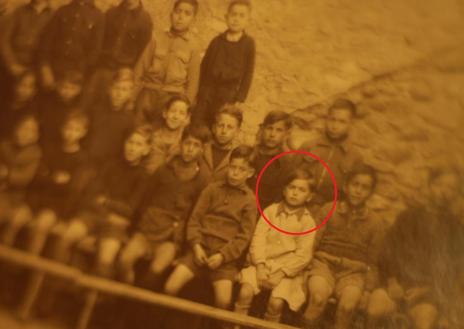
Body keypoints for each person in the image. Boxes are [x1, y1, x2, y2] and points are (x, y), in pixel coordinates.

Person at [366, 167, 463, 329]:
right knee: (375, 308)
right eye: (440, 185)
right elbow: (388, 252)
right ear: (430, 185)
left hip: (427, 293)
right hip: (396, 286)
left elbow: (452, 269)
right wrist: (392, 283)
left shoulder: (455, 228)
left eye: (451, 188)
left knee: (424, 321)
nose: (444, 192)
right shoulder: (408, 217)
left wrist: (424, 290)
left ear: (455, 194)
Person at [164, 145, 257, 313]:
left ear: (249, 173)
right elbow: (194, 220)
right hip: (199, 251)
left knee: (223, 301)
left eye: (241, 170)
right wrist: (196, 245)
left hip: (224, 260)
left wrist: (223, 256)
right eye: (232, 167)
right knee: (170, 287)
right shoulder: (212, 189)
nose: (235, 173)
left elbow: (244, 236)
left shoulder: (249, 200)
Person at [50, 125, 151, 278]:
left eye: (138, 145)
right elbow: (92, 194)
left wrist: (106, 202)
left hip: (115, 225)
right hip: (95, 215)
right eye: (130, 142)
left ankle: (93, 299)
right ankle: (53, 285)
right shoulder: (110, 165)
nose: (132, 148)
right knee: (65, 238)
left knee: (105, 260)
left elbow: (130, 209)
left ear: (146, 150)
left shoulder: (144, 177)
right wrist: (108, 210)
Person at [119, 124, 210, 286]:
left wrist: (184, 247)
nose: (190, 149)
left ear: (202, 150)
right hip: (147, 230)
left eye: (196, 146)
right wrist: (132, 229)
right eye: (188, 143)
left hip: (171, 238)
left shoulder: (202, 179)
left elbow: (196, 216)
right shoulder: (165, 169)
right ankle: (121, 296)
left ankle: (134, 307)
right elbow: (145, 200)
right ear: (181, 144)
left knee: (155, 271)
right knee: (124, 260)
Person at [302, 164, 385, 329]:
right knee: (318, 298)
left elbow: (374, 261)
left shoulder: (375, 222)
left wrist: (368, 289)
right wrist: (305, 269)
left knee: (348, 307)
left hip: (353, 273)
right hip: (323, 265)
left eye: (365, 188)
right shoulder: (328, 209)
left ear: (370, 193)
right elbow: (311, 243)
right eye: (355, 185)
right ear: (346, 186)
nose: (358, 191)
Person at [234, 168, 316, 327]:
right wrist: (260, 265)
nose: (295, 193)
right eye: (292, 188)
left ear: (309, 196)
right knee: (245, 292)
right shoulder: (270, 211)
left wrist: (281, 273)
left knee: (276, 303)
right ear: (285, 190)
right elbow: (258, 239)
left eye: (301, 190)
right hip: (262, 264)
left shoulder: (307, 222)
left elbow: (303, 255)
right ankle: (235, 326)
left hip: (286, 272)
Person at [26, 110, 91, 255]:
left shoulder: (81, 159)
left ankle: (31, 273)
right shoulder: (52, 150)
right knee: (17, 217)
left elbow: (74, 189)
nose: (71, 133)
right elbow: (38, 177)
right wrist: (53, 179)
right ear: (62, 128)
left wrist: (50, 178)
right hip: (39, 199)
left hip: (58, 206)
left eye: (76, 130)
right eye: (68, 128)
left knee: (40, 226)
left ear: (83, 133)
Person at [134, 0, 200, 125]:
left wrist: (185, 109)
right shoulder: (156, 38)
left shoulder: (193, 47)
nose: (180, 17)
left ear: (193, 20)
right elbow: (140, 68)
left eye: (187, 13)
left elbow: (193, 83)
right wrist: (132, 98)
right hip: (149, 93)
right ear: (171, 14)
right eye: (178, 12)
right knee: (139, 130)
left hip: (172, 98)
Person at [194, 0, 255, 125]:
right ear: (226, 17)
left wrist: (240, 98)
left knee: (219, 123)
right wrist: (199, 90)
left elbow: (248, 73)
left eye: (241, 16)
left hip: (229, 93)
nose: (236, 19)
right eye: (233, 15)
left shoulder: (248, 44)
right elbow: (204, 67)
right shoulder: (216, 41)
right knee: (198, 121)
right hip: (208, 91)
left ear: (248, 20)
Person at [84, 0, 152, 107]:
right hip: (103, 68)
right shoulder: (111, 13)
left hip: (124, 73)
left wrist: (130, 74)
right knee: (90, 104)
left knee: (115, 108)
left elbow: (142, 53)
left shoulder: (145, 20)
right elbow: (99, 41)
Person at [299, 99, 363, 209]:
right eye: (332, 120)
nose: (335, 126)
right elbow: (289, 177)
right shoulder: (309, 146)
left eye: (342, 122)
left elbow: (352, 192)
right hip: (300, 205)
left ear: (351, 124)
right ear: (326, 119)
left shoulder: (355, 157)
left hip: (330, 211)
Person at [37, 0, 104, 89]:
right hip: (53, 69)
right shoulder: (63, 11)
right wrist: (45, 67)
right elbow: (46, 41)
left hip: (77, 72)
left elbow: (94, 51)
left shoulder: (98, 16)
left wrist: (77, 75)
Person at [0, 115, 41, 246]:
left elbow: (25, 177)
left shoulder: (35, 153)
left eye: (31, 131)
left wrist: (7, 174)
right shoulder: (4, 146)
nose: (26, 133)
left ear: (36, 136)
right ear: (16, 130)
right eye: (23, 128)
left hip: (14, 198)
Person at [0, 0, 52, 98]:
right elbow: (4, 40)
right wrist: (12, 64)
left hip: (35, 65)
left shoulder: (52, 16)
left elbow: (50, 46)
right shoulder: (19, 12)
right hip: (12, 62)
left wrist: (41, 67)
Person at [86, 68, 136, 168]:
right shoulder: (95, 110)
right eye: (116, 88)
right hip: (88, 161)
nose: (119, 94)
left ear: (130, 94)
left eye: (124, 90)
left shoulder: (130, 120)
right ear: (109, 89)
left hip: (110, 167)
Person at [250, 110, 293, 210]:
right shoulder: (250, 155)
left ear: (286, 134)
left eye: (279, 130)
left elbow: (278, 203)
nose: (272, 134)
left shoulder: (285, 165)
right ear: (262, 129)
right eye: (269, 128)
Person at [37, 70, 84, 154]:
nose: (67, 92)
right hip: (46, 140)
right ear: (58, 86)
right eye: (65, 87)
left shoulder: (78, 107)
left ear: (79, 90)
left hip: (63, 145)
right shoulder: (49, 101)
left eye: (72, 88)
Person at [144, 94, 191, 174]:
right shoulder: (151, 136)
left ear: (187, 118)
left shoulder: (186, 142)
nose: (176, 116)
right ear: (165, 113)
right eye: (173, 111)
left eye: (181, 113)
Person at [199, 104, 242, 182]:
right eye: (221, 125)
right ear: (214, 128)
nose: (224, 131)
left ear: (237, 132)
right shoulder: (201, 148)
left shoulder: (237, 157)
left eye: (230, 127)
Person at [0, 71, 38, 139]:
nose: (26, 90)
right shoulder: (4, 105)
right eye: (23, 85)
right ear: (15, 85)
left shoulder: (32, 111)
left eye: (30, 87)